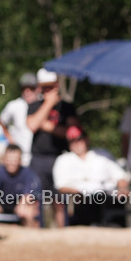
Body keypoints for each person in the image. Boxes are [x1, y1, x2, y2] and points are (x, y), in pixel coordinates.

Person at [27, 68, 79, 227]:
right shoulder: (34, 105)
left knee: (60, 201)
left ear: (57, 85)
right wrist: (49, 103)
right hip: (38, 158)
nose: (47, 90)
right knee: (36, 200)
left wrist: (46, 125)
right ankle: (38, 232)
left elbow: (72, 133)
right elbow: (32, 125)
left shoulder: (67, 107)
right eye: (44, 87)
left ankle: (63, 232)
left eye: (50, 86)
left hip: (60, 157)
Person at [52, 126, 130, 226]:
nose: (76, 143)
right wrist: (77, 193)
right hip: (83, 201)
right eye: (72, 141)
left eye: (79, 139)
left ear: (86, 139)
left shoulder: (102, 155)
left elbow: (120, 176)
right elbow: (60, 186)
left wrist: (122, 188)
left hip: (107, 198)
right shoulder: (64, 160)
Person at [0, 145, 41, 227]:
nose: (12, 163)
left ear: (20, 161)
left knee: (28, 211)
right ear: (4, 160)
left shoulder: (28, 173)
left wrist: (22, 204)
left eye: (15, 159)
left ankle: (30, 234)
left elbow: (29, 194)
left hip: (19, 205)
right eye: (9, 159)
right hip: (0, 205)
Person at [0, 73, 38, 166]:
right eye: (24, 88)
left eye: (31, 88)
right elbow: (2, 120)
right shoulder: (14, 105)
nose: (27, 91)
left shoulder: (43, 105)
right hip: (21, 157)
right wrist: (10, 138)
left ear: (37, 89)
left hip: (38, 155)